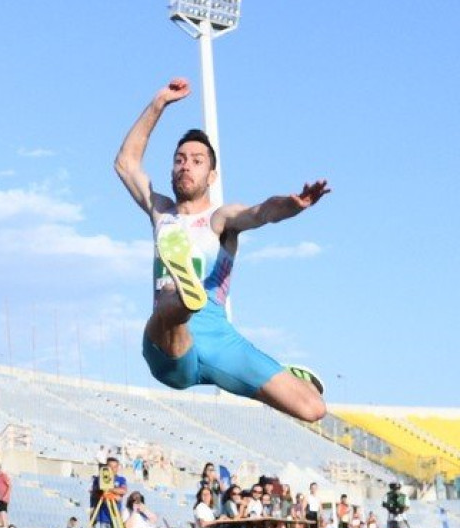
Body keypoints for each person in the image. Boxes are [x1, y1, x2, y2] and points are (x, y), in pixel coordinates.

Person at [115, 77, 331, 422]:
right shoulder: (161, 212)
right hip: (170, 349)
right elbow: (126, 163)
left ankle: (281, 375)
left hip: (219, 339)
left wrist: (294, 205)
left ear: (212, 175)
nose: (186, 165)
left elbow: (261, 212)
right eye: (180, 159)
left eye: (197, 161)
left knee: (313, 409)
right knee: (173, 303)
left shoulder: (221, 219)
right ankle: (185, 295)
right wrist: (159, 103)